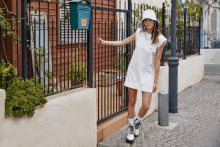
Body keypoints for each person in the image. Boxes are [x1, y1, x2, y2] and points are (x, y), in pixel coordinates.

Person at [97, 9, 167, 144]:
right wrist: (104, 42)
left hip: (148, 74)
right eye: (145, 20)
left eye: (150, 20)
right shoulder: (139, 34)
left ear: (154, 22)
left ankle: (137, 121)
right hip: (134, 72)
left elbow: (157, 61)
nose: (148, 22)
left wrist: (155, 81)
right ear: (143, 22)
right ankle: (130, 128)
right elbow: (122, 42)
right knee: (132, 102)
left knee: (146, 105)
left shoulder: (160, 39)